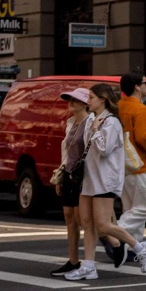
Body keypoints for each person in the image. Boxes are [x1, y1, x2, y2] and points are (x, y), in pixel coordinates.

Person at [77, 83, 146, 279]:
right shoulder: (92, 119)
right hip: (89, 178)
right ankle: (88, 266)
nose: (88, 101)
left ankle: (139, 247)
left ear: (102, 100)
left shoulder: (112, 122)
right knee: (86, 223)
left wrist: (95, 131)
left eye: (91, 97)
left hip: (105, 179)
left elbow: (105, 150)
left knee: (103, 225)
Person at [48, 89, 92, 278]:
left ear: (85, 104)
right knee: (68, 216)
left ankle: (113, 242)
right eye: (70, 99)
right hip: (68, 173)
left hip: (82, 175)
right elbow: (67, 152)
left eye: (76, 100)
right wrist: (60, 175)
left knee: (81, 218)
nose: (71, 102)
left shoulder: (90, 123)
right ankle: (73, 260)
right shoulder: (71, 123)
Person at [115, 73, 146, 248]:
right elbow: (143, 138)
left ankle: (132, 247)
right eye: (145, 83)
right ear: (136, 86)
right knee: (144, 206)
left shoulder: (118, 106)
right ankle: (114, 230)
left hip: (123, 164)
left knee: (130, 208)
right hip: (140, 164)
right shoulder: (140, 109)